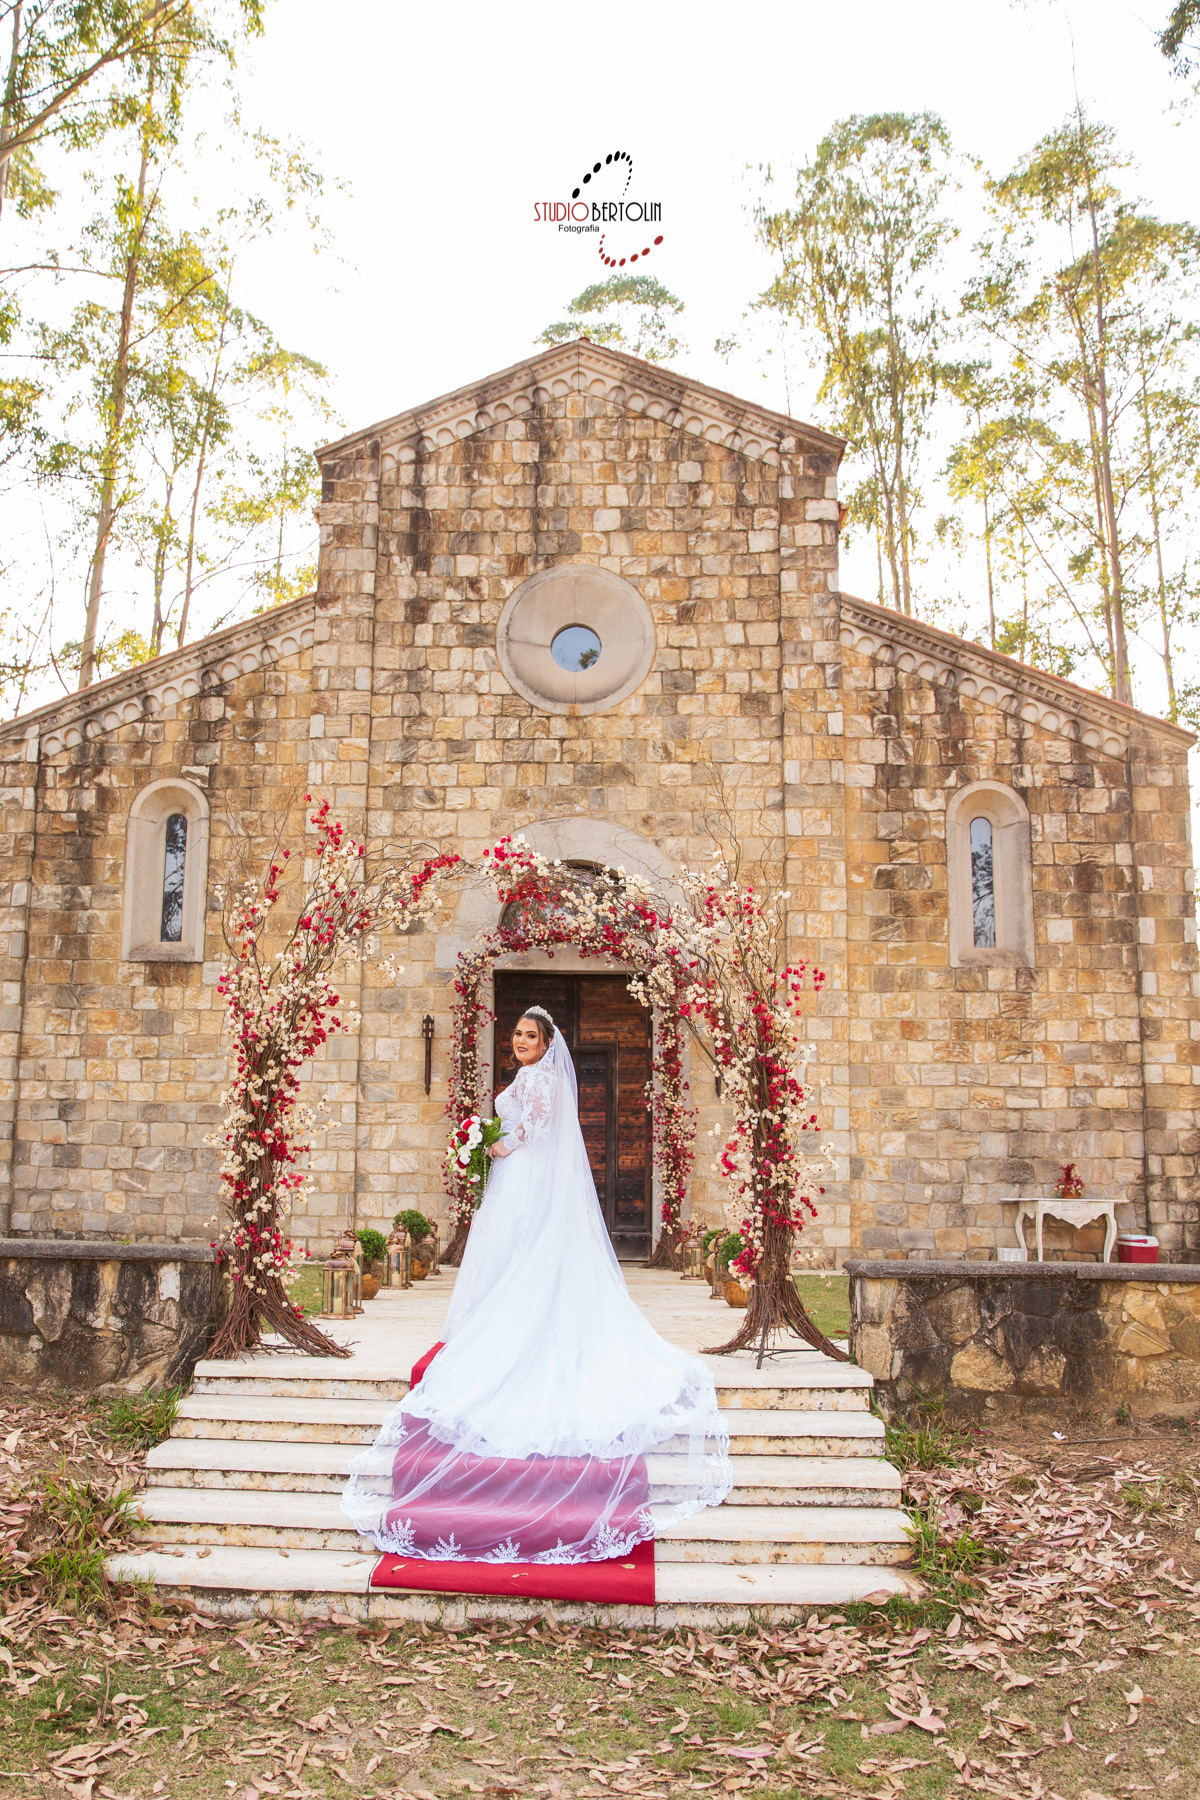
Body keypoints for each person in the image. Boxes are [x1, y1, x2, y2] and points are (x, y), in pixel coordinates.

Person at [341, 1005, 732, 1564]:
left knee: (521, 1258)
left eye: (531, 1035)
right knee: (513, 1258)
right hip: (519, 1179)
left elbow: (538, 1128)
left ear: (548, 1043)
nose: (521, 1041)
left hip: (522, 1176)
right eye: (517, 1035)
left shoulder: (536, 1078)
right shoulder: (532, 1075)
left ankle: (512, 1328)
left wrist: (499, 1144)